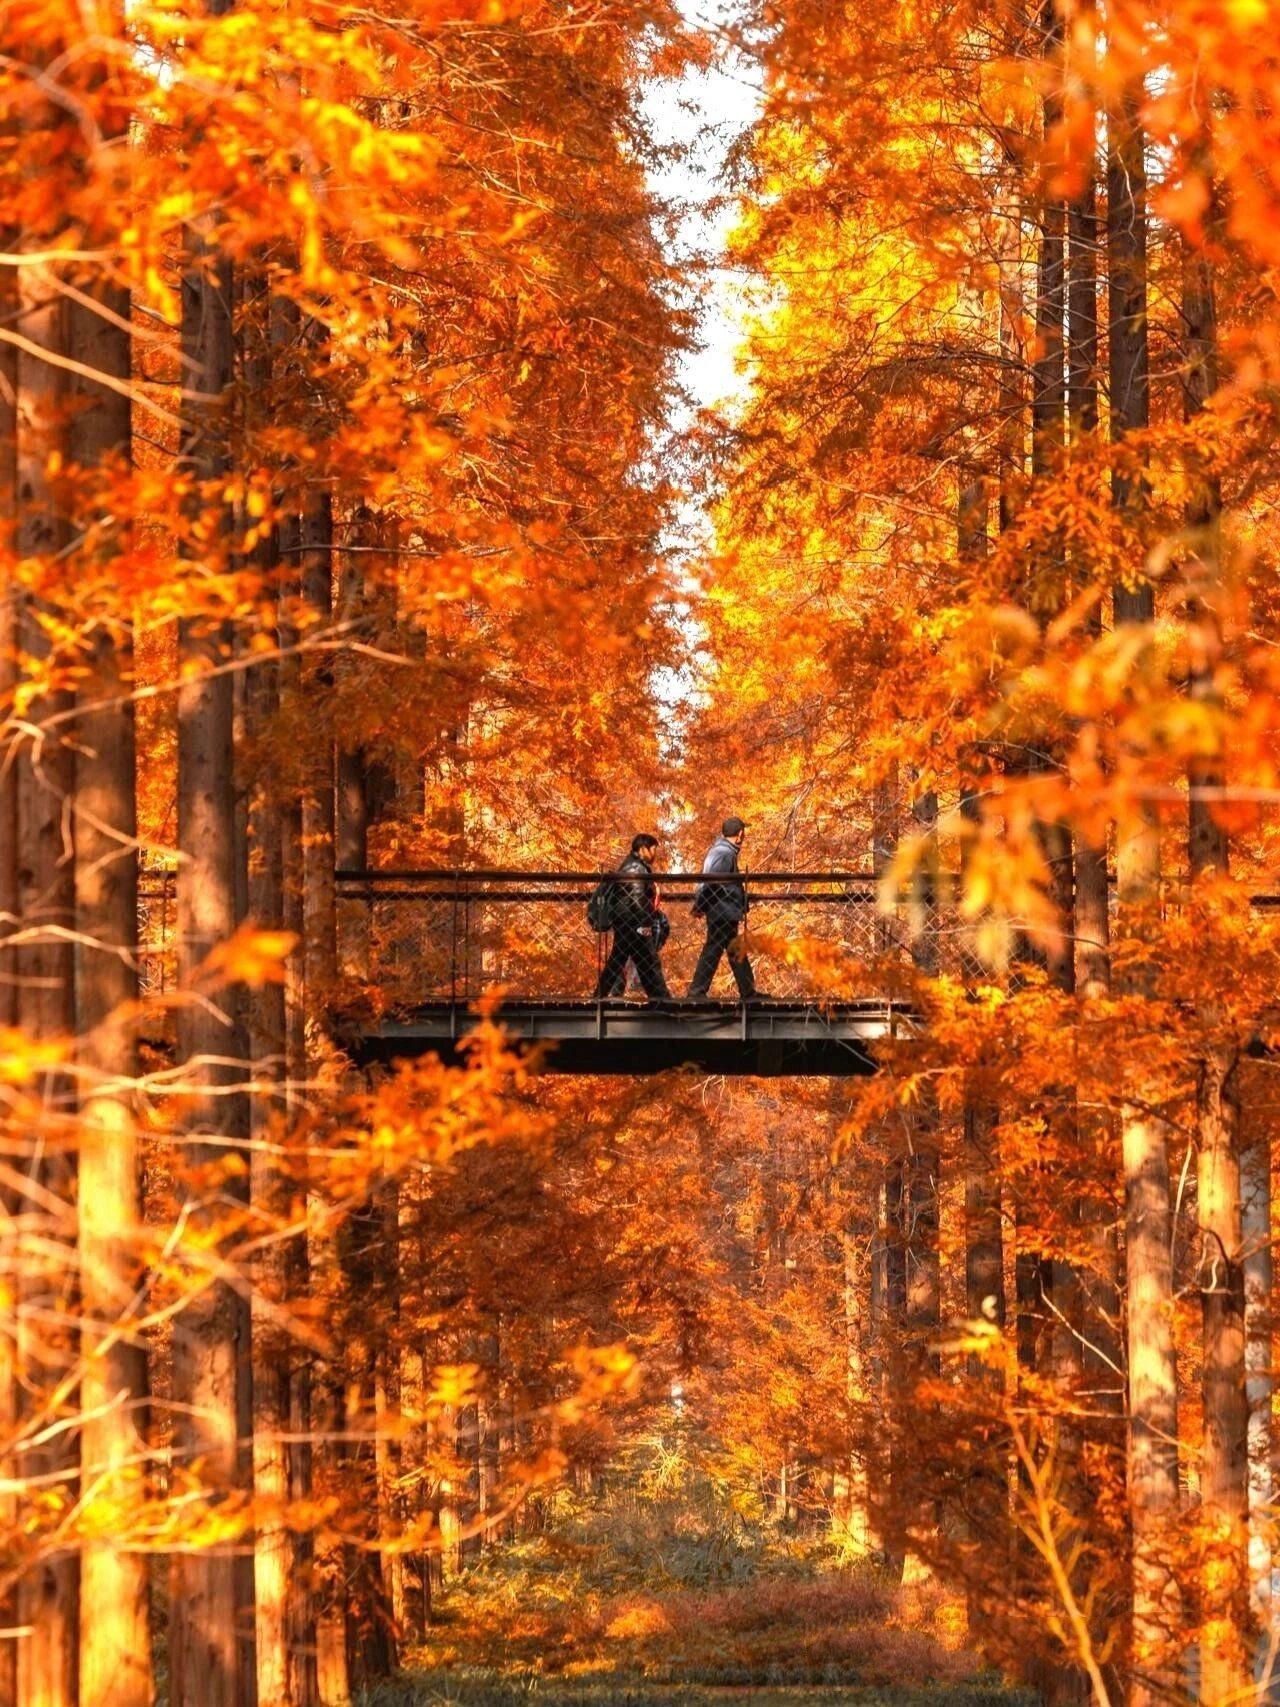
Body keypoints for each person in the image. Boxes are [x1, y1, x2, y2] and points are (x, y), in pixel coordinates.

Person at [594, 833, 671, 1001]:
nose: (655, 854)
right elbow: (638, 900)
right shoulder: (636, 869)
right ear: (643, 849)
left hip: (626, 923)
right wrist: (646, 927)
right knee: (648, 962)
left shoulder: (632, 865)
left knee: (625, 962)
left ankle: (598, 997)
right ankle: (663, 1001)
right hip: (634, 924)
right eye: (653, 849)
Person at [687, 815, 757, 1001]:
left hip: (723, 910)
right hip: (722, 911)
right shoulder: (724, 854)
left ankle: (748, 992)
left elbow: (709, 882)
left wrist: (700, 904)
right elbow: (712, 882)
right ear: (740, 833)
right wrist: (700, 906)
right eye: (744, 832)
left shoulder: (721, 851)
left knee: (734, 951)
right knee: (713, 950)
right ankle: (696, 992)